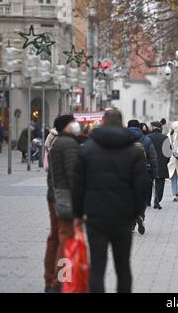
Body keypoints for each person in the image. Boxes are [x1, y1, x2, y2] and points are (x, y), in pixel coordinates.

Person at [73, 109, 150, 293]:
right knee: (123, 266)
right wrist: (136, 213)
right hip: (123, 217)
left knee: (97, 266)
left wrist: (78, 214)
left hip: (95, 217)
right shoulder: (133, 151)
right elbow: (142, 187)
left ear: (103, 122)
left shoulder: (87, 149)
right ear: (121, 123)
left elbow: (77, 185)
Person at [46, 114, 81, 293]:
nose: (76, 125)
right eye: (73, 122)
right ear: (66, 126)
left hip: (54, 196)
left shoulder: (57, 143)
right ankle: (61, 281)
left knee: (54, 238)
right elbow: (73, 175)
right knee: (65, 239)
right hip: (65, 199)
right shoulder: (68, 144)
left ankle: (50, 278)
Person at [128, 120, 158, 235]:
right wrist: (154, 173)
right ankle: (140, 215)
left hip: (127, 173)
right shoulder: (146, 139)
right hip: (144, 172)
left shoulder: (123, 138)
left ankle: (131, 224)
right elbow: (153, 158)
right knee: (142, 197)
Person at [148, 121, 171, 210]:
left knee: (149, 183)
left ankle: (148, 201)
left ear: (153, 127)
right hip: (161, 164)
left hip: (149, 164)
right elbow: (168, 153)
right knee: (160, 183)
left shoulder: (147, 137)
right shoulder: (165, 138)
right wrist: (165, 162)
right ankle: (157, 200)